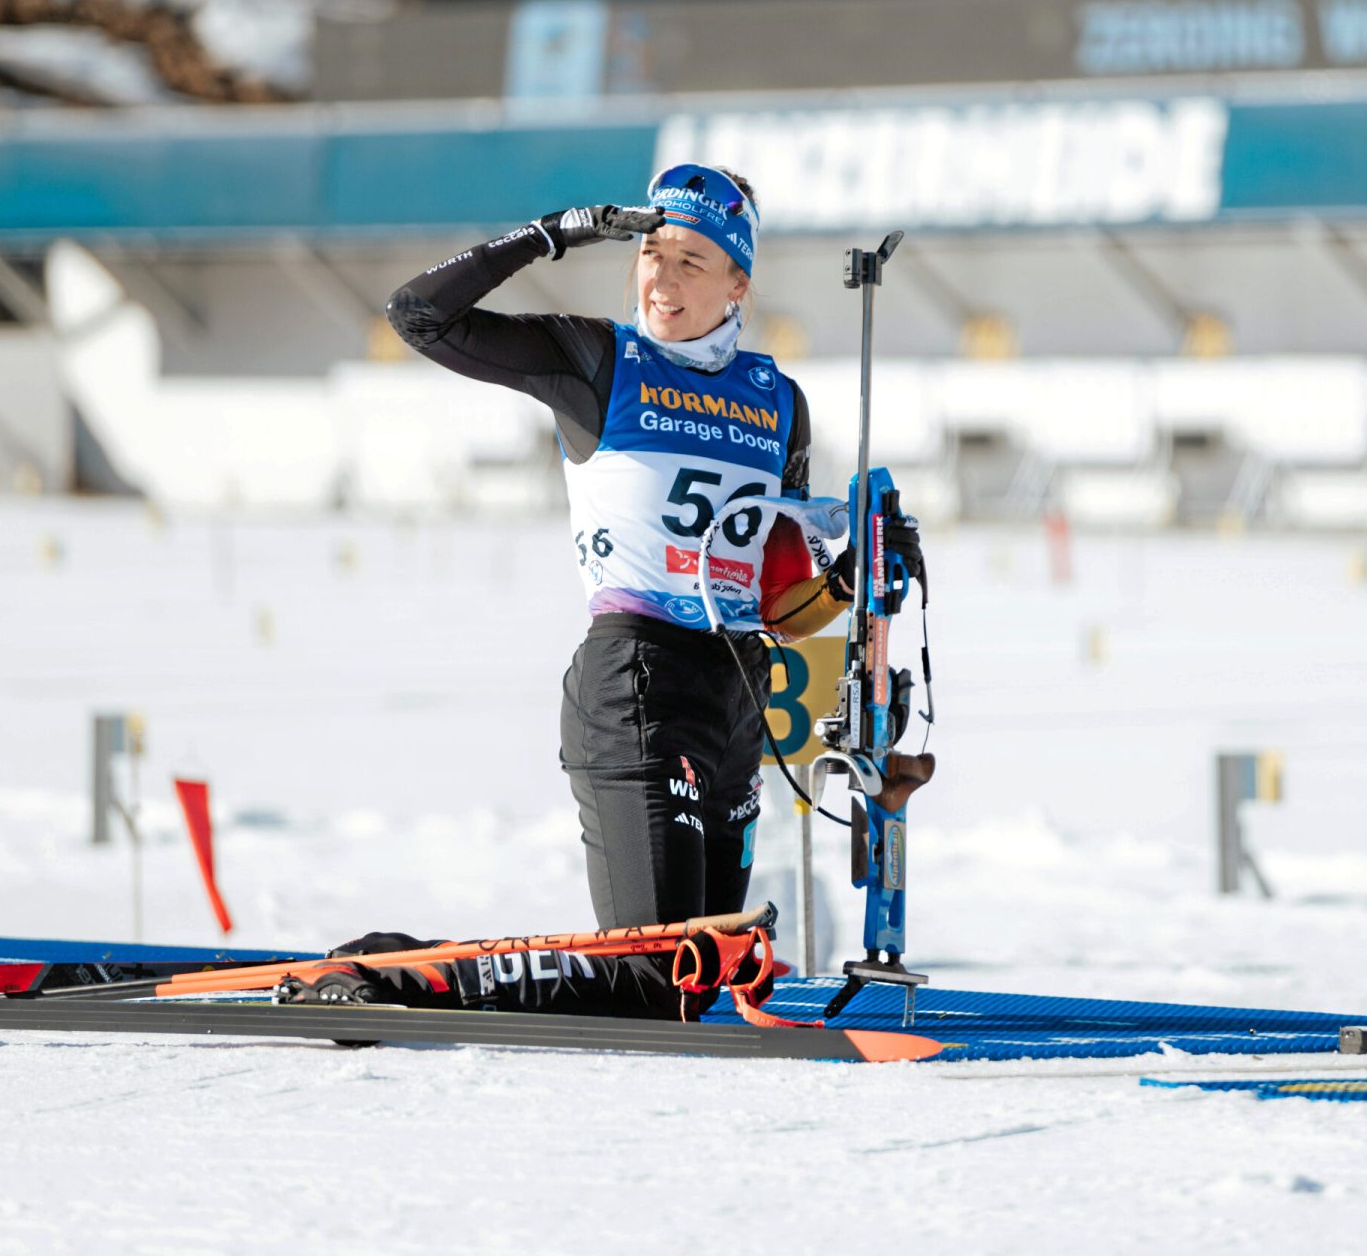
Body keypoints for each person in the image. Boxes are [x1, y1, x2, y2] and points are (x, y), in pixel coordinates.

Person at [293, 164, 920, 1022]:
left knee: (699, 984)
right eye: (652, 254)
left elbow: (779, 606)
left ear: (740, 281)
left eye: (693, 261)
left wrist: (855, 577)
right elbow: (420, 316)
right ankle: (387, 975)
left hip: (737, 698)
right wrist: (549, 236)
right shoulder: (598, 360)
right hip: (638, 678)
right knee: (655, 979)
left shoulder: (780, 402)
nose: (663, 279)